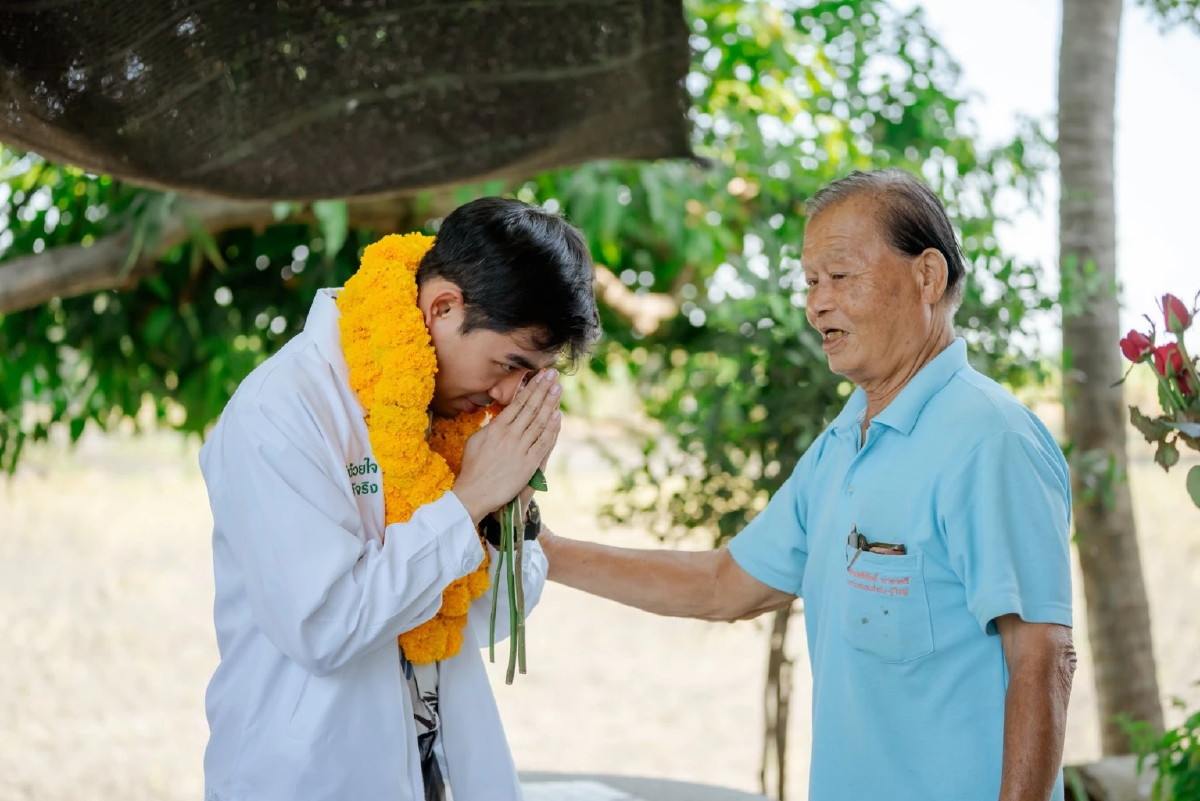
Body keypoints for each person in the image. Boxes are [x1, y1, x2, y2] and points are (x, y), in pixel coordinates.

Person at [540, 169, 1077, 801]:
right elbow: (722, 585)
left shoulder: (991, 441)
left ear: (927, 277)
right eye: (811, 282)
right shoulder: (842, 444)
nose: (817, 303)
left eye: (841, 276)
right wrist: (541, 551)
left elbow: (1043, 657)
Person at [198, 197, 599, 801]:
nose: (507, 395)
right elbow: (324, 629)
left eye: (528, 377)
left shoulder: (458, 420)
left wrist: (511, 506)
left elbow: (487, 618)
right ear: (443, 307)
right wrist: (467, 501)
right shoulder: (281, 411)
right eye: (507, 364)